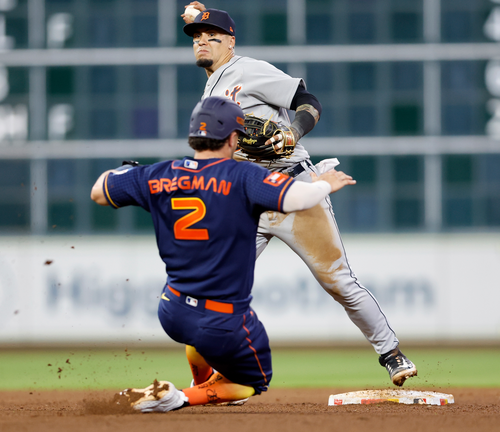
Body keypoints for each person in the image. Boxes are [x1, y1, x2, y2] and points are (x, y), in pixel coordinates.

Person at [180, 2, 417, 389]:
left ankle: (391, 354)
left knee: (338, 281)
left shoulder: (248, 70)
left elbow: (309, 102)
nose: (202, 42)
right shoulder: (210, 91)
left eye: (212, 37)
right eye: (197, 38)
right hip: (249, 198)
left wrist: (294, 132)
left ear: (231, 42)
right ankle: (221, 374)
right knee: (213, 285)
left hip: (293, 187)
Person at [91, 96, 357, 413]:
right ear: (233, 139)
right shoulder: (243, 176)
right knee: (252, 382)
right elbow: (300, 198)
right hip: (223, 319)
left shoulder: (159, 174)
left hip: (172, 310)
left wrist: (133, 175)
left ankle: (197, 383)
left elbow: (99, 190)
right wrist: (323, 183)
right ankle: (179, 397)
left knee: (197, 337)